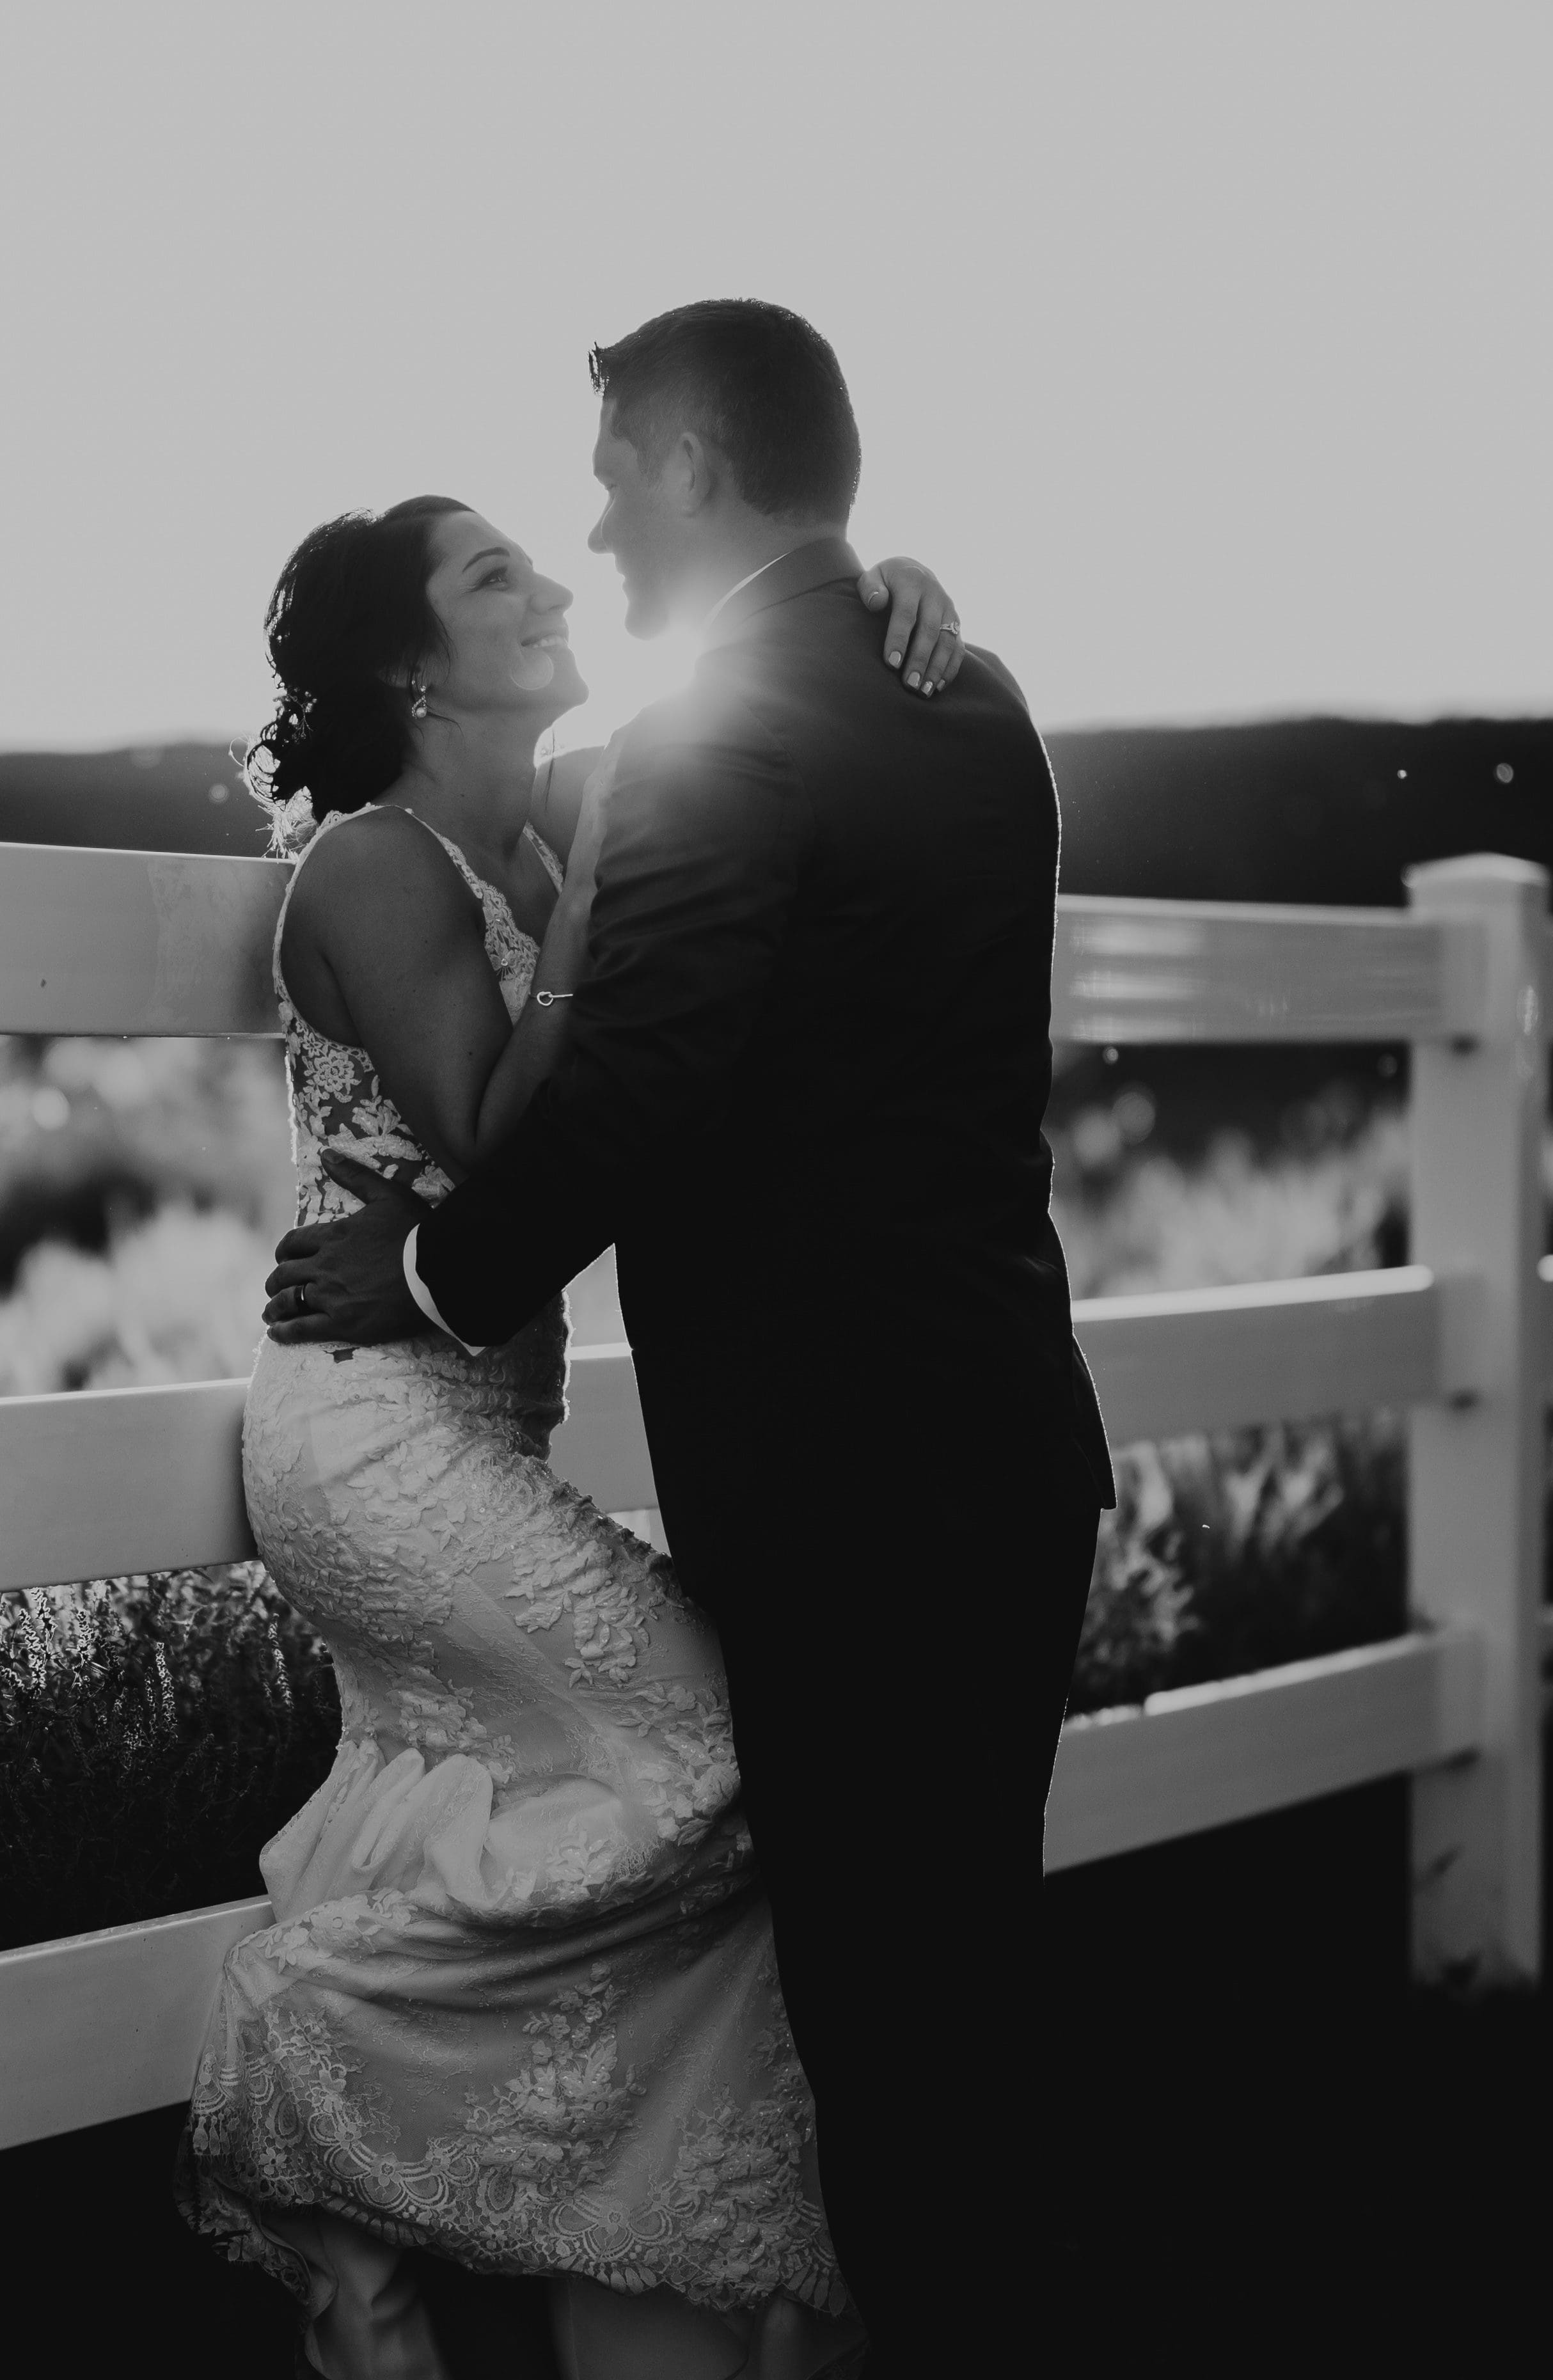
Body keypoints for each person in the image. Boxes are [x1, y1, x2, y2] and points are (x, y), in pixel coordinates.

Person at [255, 301, 1117, 2372]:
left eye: (619, 474)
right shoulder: (974, 696)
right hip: (1004, 1445)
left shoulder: (725, 731)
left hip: (846, 1481)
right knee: (961, 2001)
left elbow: (641, 1085)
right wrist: (881, 583)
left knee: (898, 2052)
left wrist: (439, 1280)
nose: (595, 527)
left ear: (704, 468)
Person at [175, 480, 963, 2380]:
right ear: (408, 666)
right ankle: (302, 2073)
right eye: (493, 576)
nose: (547, 584)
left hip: (487, 1431)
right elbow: (494, 1150)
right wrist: (600, 906)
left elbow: (763, 689)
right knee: (714, 1746)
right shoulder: (377, 864)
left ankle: (564, 2251)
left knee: (656, 1806)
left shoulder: (548, 825)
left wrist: (895, 604)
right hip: (371, 1431)